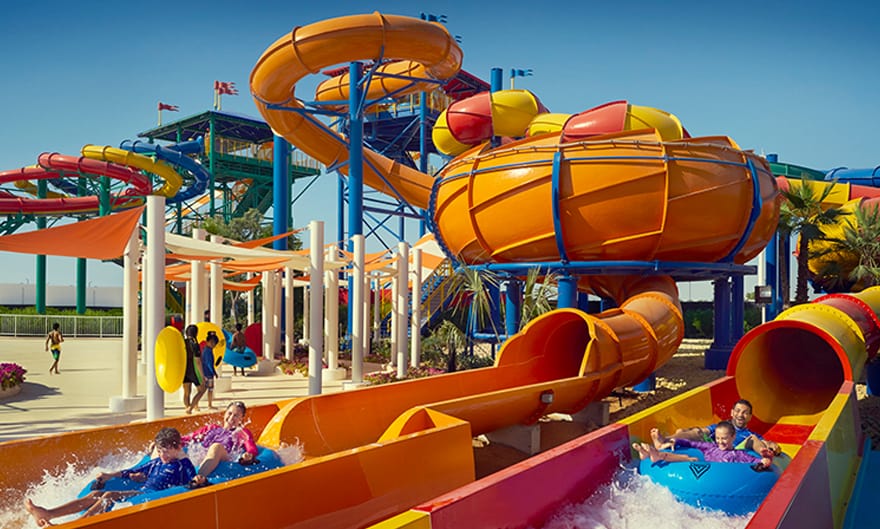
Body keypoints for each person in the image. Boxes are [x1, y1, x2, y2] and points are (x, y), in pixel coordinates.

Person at [25, 427, 195, 526]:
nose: (162, 454)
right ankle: (48, 513)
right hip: (142, 491)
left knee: (109, 496)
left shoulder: (182, 464)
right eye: (159, 451)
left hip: (151, 495)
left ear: (177, 447)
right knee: (95, 495)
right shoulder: (157, 462)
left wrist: (182, 456)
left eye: (166, 451)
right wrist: (109, 475)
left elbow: (194, 481)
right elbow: (132, 470)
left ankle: (76, 525)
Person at [183, 401, 258, 488]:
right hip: (204, 456)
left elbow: (251, 448)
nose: (231, 418)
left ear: (241, 419)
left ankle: (198, 478)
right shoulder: (212, 428)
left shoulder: (241, 432)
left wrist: (249, 455)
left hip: (226, 456)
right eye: (229, 413)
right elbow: (188, 438)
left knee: (216, 447)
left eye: (236, 416)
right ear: (225, 413)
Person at [633, 423, 774, 470]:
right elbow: (691, 443)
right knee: (690, 458)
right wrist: (676, 441)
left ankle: (655, 455)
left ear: (733, 438)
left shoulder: (739, 455)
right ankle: (650, 454)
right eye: (718, 438)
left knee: (693, 459)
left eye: (724, 438)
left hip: (721, 476)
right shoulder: (710, 447)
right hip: (705, 469)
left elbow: (754, 461)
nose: (720, 442)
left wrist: (764, 461)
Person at [672, 399, 761, 446]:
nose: (740, 415)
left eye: (745, 413)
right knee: (694, 432)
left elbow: (765, 444)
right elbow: (703, 431)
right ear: (732, 412)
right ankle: (668, 439)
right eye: (737, 411)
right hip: (712, 451)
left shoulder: (752, 435)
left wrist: (771, 445)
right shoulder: (720, 427)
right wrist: (685, 432)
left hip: (733, 456)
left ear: (750, 417)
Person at [182, 325, 206, 414]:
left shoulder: (183, 342)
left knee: (186, 392)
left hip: (184, 370)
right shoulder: (194, 344)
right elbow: (198, 361)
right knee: (202, 390)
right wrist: (202, 375)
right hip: (194, 370)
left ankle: (187, 408)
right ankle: (190, 408)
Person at [200, 332, 219, 411]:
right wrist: (213, 372)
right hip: (207, 373)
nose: (213, 344)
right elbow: (208, 363)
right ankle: (209, 404)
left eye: (214, 343)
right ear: (207, 342)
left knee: (207, 390)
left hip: (207, 372)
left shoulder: (207, 350)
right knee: (208, 390)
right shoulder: (207, 351)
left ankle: (208, 404)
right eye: (211, 342)